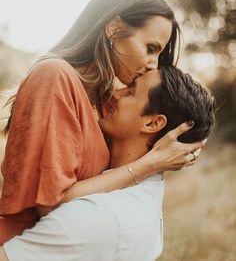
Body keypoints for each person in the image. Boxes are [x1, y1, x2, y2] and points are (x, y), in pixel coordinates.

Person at [0, 0, 205, 244]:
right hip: (25, 247)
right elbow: (53, 205)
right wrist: (149, 165)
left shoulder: (106, 99)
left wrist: (182, 146)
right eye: (150, 48)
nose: (154, 64)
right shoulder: (55, 77)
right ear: (115, 29)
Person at [0, 67, 215, 261]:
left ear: (152, 122)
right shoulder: (139, 194)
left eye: (130, 92)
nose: (116, 94)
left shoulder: (100, 218)